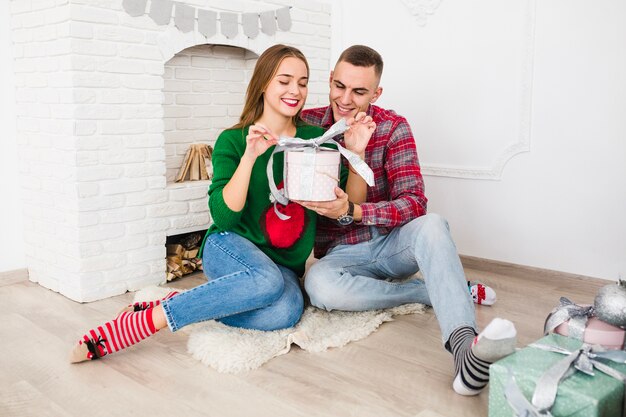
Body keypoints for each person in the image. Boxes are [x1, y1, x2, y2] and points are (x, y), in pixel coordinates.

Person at [69, 44, 375, 363]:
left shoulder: (316, 138)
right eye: (284, 80)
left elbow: (349, 208)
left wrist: (357, 152)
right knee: (266, 281)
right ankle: (148, 321)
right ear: (263, 84)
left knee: (285, 312)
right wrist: (250, 156)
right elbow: (224, 218)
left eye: (302, 81)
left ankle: (183, 302)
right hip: (229, 246)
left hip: (282, 262)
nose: (295, 90)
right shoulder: (234, 139)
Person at [298, 45, 515, 396]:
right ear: (330, 80)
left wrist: (355, 211)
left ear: (377, 93)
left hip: (390, 246)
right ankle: (436, 290)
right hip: (339, 257)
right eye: (339, 86)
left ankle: (464, 350)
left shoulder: (393, 127)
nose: (346, 98)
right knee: (319, 288)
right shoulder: (307, 125)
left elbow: (414, 203)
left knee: (432, 224)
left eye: (359, 91)